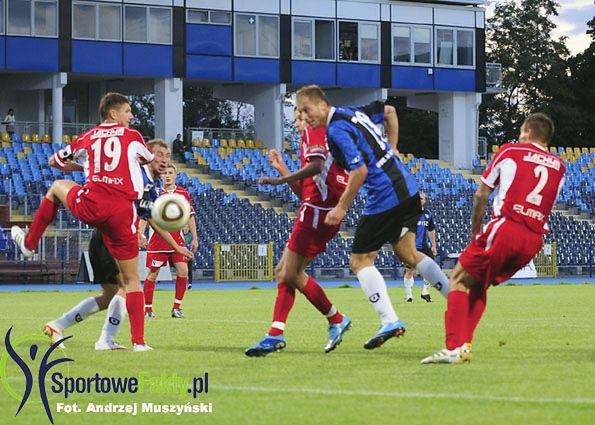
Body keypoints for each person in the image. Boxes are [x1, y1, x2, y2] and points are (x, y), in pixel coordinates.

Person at [295, 84, 450, 350]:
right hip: (408, 189)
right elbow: (389, 111)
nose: (305, 117)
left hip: (385, 196)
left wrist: (342, 207)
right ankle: (457, 298)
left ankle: (389, 319)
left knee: (359, 261)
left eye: (307, 110)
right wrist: (393, 148)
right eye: (299, 112)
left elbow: (359, 172)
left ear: (322, 105)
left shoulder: (336, 130)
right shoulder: (352, 112)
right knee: (408, 252)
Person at [12, 92, 155, 352]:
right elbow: (147, 159)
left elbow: (54, 160)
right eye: (127, 111)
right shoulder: (132, 136)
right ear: (113, 113)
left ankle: (29, 244)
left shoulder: (86, 138)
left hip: (93, 204)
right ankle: (139, 343)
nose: (131, 116)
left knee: (56, 187)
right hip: (122, 210)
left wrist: (87, 166)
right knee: (132, 281)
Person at [421, 113, 565, 364]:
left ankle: (453, 346)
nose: (519, 136)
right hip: (533, 240)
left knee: (457, 279)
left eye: (521, 132)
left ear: (528, 133)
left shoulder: (511, 151)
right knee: (478, 284)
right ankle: (464, 346)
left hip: (507, 226)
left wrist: (475, 232)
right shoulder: (560, 167)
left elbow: (481, 193)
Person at [42, 139, 193, 350]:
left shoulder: (153, 186)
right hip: (111, 235)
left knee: (110, 295)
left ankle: (58, 325)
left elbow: (151, 219)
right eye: (159, 154)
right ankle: (112, 340)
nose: (164, 160)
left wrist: (177, 246)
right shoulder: (134, 173)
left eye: (167, 156)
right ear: (147, 155)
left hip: (110, 236)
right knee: (129, 287)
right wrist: (80, 166)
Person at [244, 108, 351, 357]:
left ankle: (283, 333)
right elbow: (306, 191)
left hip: (315, 215)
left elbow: (317, 171)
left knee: (286, 272)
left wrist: (280, 179)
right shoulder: (320, 140)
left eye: (301, 117)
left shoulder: (317, 136)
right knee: (288, 273)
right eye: (295, 119)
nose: (297, 123)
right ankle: (327, 321)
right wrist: (282, 168)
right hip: (317, 211)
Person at [140, 162, 198, 319]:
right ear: (161, 175)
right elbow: (145, 214)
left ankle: (176, 308)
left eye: (170, 173)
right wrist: (141, 233)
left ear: (175, 175)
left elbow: (190, 216)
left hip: (178, 241)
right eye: (164, 173)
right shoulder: (155, 192)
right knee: (153, 274)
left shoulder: (183, 194)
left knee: (183, 271)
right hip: (158, 240)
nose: (167, 176)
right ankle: (148, 309)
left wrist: (194, 237)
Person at [403, 191, 437, 303]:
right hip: (411, 247)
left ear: (424, 200)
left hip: (424, 247)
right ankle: (409, 296)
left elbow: (431, 230)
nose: (420, 201)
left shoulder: (428, 214)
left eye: (422, 199)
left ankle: (425, 292)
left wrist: (433, 246)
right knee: (409, 270)